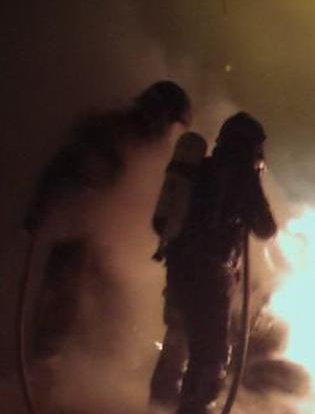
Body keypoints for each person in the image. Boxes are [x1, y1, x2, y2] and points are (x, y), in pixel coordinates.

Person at [22, 80, 191, 357]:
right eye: (168, 121)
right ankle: (39, 368)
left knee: (105, 315)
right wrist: (38, 210)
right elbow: (62, 170)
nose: (167, 130)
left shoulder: (149, 148)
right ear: (155, 110)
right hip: (77, 231)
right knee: (64, 301)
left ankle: (77, 374)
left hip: (108, 244)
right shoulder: (108, 133)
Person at [150, 112, 277, 414]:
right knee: (210, 358)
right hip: (210, 278)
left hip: (179, 270)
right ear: (250, 147)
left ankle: (156, 407)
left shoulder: (202, 168)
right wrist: (254, 182)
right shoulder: (242, 177)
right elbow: (266, 227)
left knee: (176, 344)